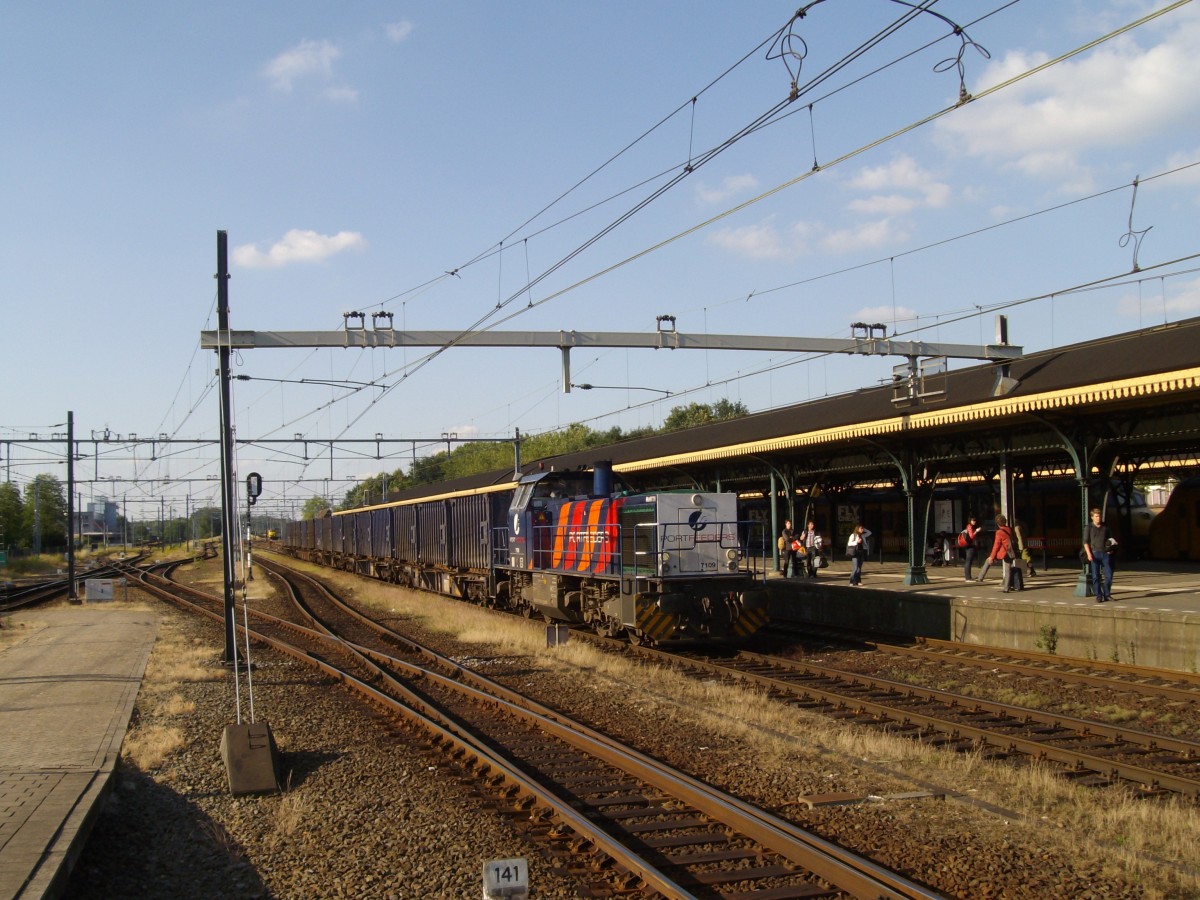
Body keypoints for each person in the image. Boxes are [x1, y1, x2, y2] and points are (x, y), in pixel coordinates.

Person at [975, 514, 1016, 590]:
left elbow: (996, 546)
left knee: (988, 560)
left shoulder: (999, 532)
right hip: (1011, 551)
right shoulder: (1009, 529)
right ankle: (1006, 588)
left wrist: (992, 557)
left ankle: (980, 577)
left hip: (1003, 552)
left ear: (997, 523)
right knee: (1008, 569)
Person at [1084, 507, 1116, 602]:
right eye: (1096, 516)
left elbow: (1111, 540)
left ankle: (1107, 594)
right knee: (1095, 576)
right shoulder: (1088, 527)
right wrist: (1089, 554)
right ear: (1092, 517)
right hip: (1094, 553)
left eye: (1099, 516)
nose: (1098, 518)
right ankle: (1098, 595)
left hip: (1105, 554)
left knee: (1109, 575)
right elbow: (1085, 542)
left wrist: (1111, 549)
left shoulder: (1105, 527)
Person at [961, 515, 980, 581]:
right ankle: (968, 577)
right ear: (970, 521)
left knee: (969, 561)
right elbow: (971, 536)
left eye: (975, 520)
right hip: (970, 546)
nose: (974, 521)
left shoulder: (970, 527)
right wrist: (976, 531)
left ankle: (969, 576)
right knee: (968, 561)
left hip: (970, 545)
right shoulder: (970, 527)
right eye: (973, 520)